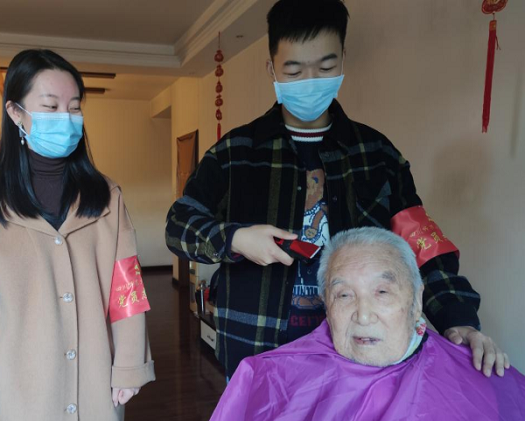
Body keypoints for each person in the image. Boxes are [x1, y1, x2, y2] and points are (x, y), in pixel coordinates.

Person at [165, 0, 506, 380]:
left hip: (359, 355)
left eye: (325, 68)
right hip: (257, 352)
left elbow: (422, 247)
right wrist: (235, 238)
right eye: (294, 71)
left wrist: (459, 318)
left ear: (342, 60)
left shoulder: (377, 154)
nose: (310, 81)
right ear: (272, 69)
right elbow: (179, 225)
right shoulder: (235, 153)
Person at [0, 49, 155, 421]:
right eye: (51, 107)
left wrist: (129, 362)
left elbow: (128, 287)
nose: (65, 119)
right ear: (16, 113)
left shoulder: (106, 196)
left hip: (96, 381)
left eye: (74, 108)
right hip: (19, 389)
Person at [201, 227, 525, 421]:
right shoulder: (265, 378)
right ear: (326, 304)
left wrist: (460, 319)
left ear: (416, 301)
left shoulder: (486, 377)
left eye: (382, 292)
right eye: (344, 295)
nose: (364, 315)